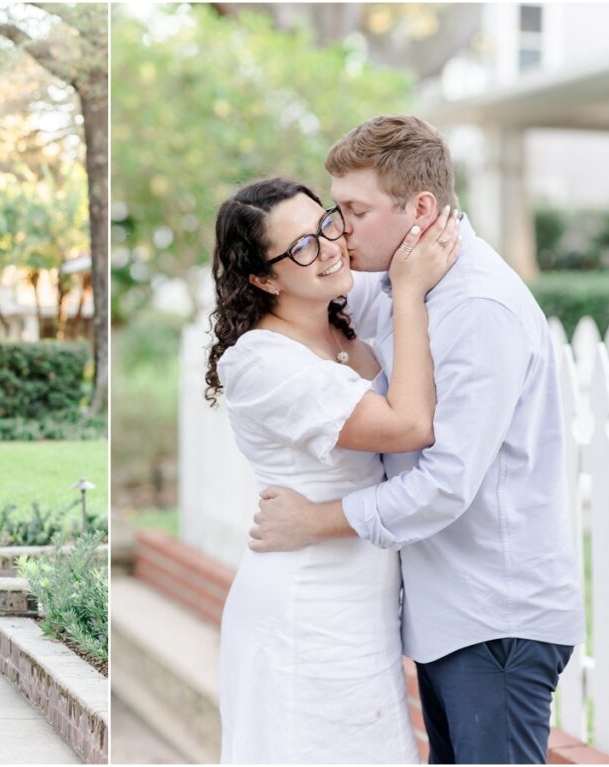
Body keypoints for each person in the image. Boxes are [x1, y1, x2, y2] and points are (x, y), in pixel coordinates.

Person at [250, 115, 585, 764]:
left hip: (499, 621)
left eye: (354, 210)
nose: (339, 229)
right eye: (335, 208)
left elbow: (445, 484)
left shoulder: (478, 307)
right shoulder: (403, 281)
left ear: (421, 208)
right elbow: (323, 313)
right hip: (450, 618)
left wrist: (313, 520)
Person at [207, 174, 460, 762]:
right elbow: (409, 426)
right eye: (301, 247)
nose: (328, 247)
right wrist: (409, 292)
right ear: (262, 277)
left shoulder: (342, 326)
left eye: (325, 225)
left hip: (364, 606)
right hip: (305, 607)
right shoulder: (264, 362)